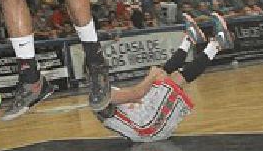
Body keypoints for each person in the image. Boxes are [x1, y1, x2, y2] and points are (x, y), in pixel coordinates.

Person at [96, 13, 233, 141]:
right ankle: (216, 44)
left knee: (161, 78)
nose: (106, 68)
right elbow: (136, 94)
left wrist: (152, 79)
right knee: (172, 80)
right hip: (146, 127)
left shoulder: (100, 89)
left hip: (144, 127)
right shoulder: (99, 93)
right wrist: (150, 77)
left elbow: (132, 99)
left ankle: (189, 40)